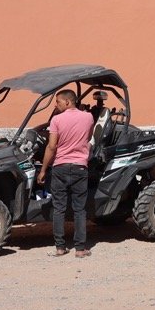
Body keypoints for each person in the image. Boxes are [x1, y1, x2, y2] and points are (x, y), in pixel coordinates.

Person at [37, 89, 95, 258]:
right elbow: (88, 137)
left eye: (58, 102)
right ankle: (80, 249)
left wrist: (43, 170)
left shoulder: (56, 120)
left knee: (59, 209)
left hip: (60, 168)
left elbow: (51, 146)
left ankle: (60, 248)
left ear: (68, 102)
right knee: (79, 210)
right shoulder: (88, 117)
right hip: (80, 168)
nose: (56, 105)